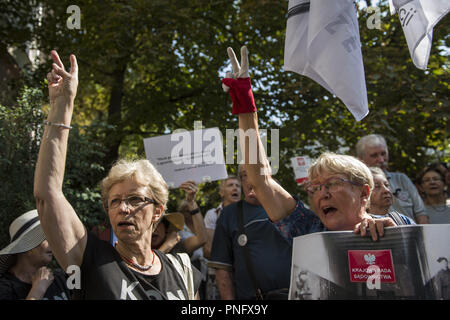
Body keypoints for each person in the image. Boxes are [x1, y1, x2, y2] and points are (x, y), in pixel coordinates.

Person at [33, 51, 201, 300]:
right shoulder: (89, 261)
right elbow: (47, 195)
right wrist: (63, 105)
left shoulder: (182, 269)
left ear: (158, 210)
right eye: (114, 201)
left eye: (134, 199)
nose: (123, 208)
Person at [219, 46, 396, 244]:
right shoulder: (308, 230)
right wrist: (244, 102)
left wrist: (395, 236)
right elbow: (261, 181)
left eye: (332, 184)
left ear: (364, 192)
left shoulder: (394, 225)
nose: (323, 194)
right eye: (317, 187)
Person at [209, 164, 298, 300]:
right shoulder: (229, 214)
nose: (252, 179)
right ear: (241, 180)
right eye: (246, 175)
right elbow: (223, 270)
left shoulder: (288, 206)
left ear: (268, 176)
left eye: (258, 173)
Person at [355, 134, 429, 224]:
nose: (381, 160)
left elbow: (421, 213)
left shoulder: (402, 179)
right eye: (374, 155)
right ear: (361, 159)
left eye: (383, 154)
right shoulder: (356, 185)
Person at [0, 209, 71, 300]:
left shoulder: (60, 279)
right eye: (45, 237)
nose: (53, 242)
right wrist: (38, 290)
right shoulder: (5, 288)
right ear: (25, 246)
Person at [203, 175, 241, 300]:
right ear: (221, 192)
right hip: (217, 276)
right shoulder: (212, 214)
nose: (235, 188)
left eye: (238, 186)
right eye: (230, 185)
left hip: (243, 276)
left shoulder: (248, 213)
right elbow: (209, 251)